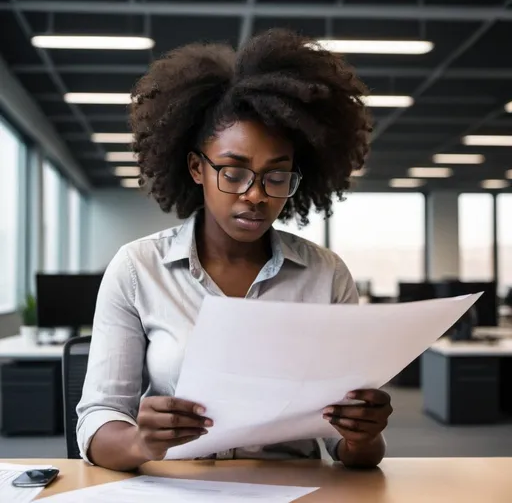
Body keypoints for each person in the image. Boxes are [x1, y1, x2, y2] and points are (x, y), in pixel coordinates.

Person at [77, 28, 392, 472]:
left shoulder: (326, 275)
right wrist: (140, 442)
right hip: (179, 488)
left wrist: (365, 434)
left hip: (293, 491)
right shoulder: (138, 269)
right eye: (234, 172)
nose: (255, 194)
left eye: (275, 176)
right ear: (195, 168)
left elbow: (352, 453)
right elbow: (97, 422)